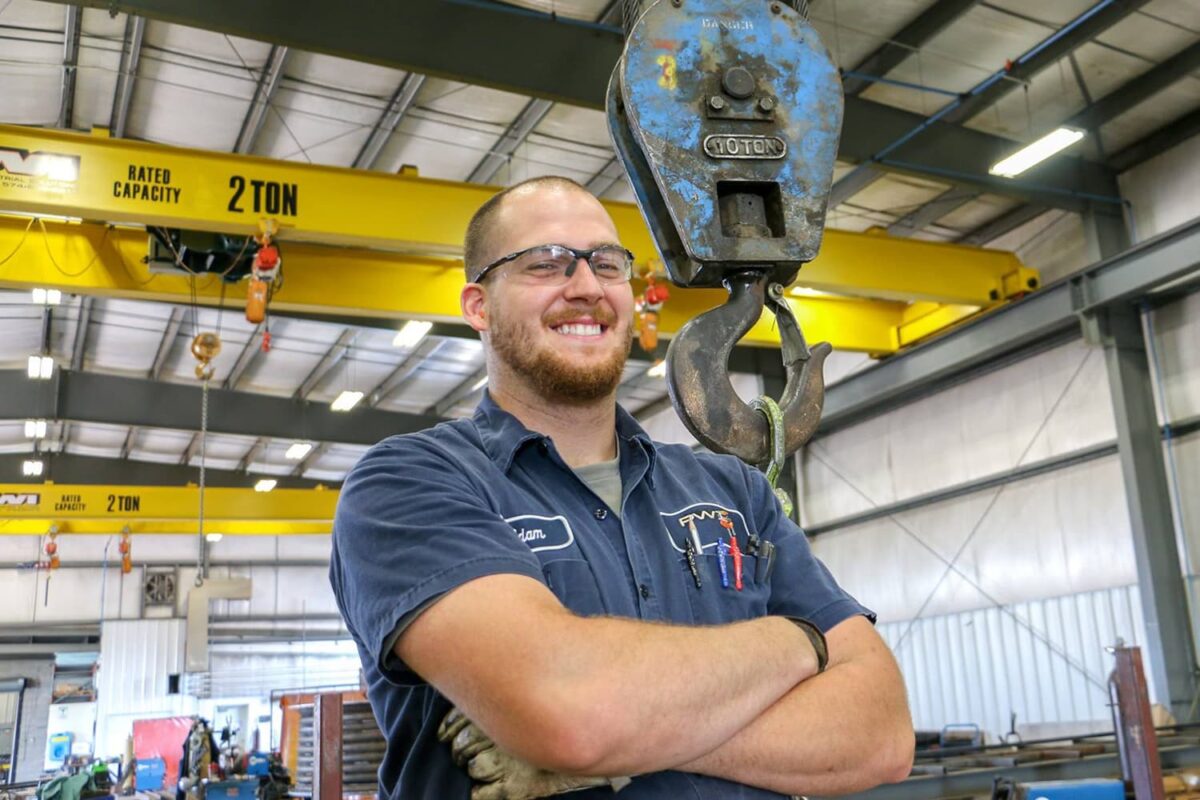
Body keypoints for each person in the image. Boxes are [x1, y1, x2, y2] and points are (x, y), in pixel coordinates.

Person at [329, 176, 914, 800]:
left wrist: (619, 741)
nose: (586, 287)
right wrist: (798, 643)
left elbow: (880, 734)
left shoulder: (733, 492)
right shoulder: (409, 484)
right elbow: (570, 710)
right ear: (478, 305)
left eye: (607, 264)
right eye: (545, 264)